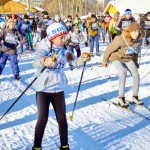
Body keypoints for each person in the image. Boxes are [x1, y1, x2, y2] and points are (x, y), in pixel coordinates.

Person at [32, 22, 90, 150]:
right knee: (43, 119)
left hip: (58, 88)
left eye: (65, 37)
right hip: (44, 89)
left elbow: (74, 62)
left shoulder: (65, 49)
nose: (64, 40)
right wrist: (45, 61)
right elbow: (35, 63)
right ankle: (36, 146)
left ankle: (64, 145)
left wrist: (83, 59)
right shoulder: (44, 48)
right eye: (61, 38)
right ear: (52, 38)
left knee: (62, 119)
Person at [102, 22, 143, 107]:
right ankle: (121, 97)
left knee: (136, 74)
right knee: (123, 73)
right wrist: (105, 60)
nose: (136, 33)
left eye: (138, 31)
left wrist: (135, 63)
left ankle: (135, 96)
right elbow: (109, 49)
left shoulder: (139, 40)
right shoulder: (121, 39)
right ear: (130, 32)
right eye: (134, 32)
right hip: (116, 57)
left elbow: (135, 53)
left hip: (128, 58)